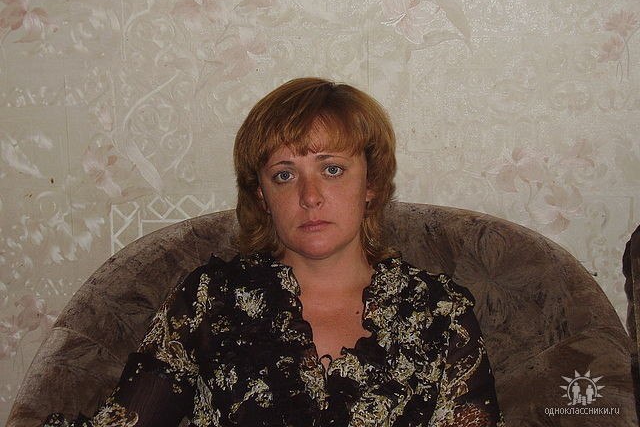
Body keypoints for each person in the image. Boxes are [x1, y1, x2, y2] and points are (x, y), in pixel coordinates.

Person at [44, 78, 503, 426]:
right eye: (284, 175)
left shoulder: (440, 312)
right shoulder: (210, 300)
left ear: (372, 184)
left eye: (332, 169)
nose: (310, 196)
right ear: (262, 196)